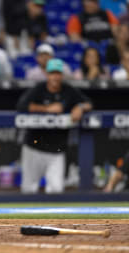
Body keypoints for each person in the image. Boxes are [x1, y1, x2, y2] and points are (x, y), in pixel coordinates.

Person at [17, 58, 92, 194]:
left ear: (61, 75)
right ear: (47, 74)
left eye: (58, 73)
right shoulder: (39, 89)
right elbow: (21, 105)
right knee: (28, 190)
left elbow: (88, 102)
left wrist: (80, 107)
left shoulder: (68, 90)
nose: (55, 77)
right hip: (34, 148)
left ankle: (52, 217)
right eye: (52, 73)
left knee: (56, 190)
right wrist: (46, 109)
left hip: (56, 151)